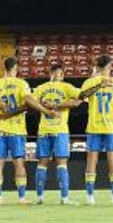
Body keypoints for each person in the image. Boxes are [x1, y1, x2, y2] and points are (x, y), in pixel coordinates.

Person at [0, 56, 52, 205]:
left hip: (0, 130)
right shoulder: (21, 84)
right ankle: (21, 198)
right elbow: (29, 100)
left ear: (4, 68)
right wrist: (43, 109)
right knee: (19, 163)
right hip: (17, 130)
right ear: (16, 68)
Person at [78, 54, 113, 205]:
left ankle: (90, 197)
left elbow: (81, 96)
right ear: (109, 67)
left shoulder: (89, 82)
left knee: (91, 162)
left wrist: (98, 86)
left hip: (94, 127)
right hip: (111, 128)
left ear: (97, 68)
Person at [32, 62, 81, 204]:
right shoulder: (66, 87)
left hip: (44, 130)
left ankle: (40, 198)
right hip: (60, 130)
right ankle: (64, 198)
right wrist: (60, 105)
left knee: (42, 163)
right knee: (62, 163)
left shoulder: (41, 88)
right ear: (62, 74)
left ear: (50, 73)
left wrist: (45, 108)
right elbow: (78, 101)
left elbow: (30, 101)